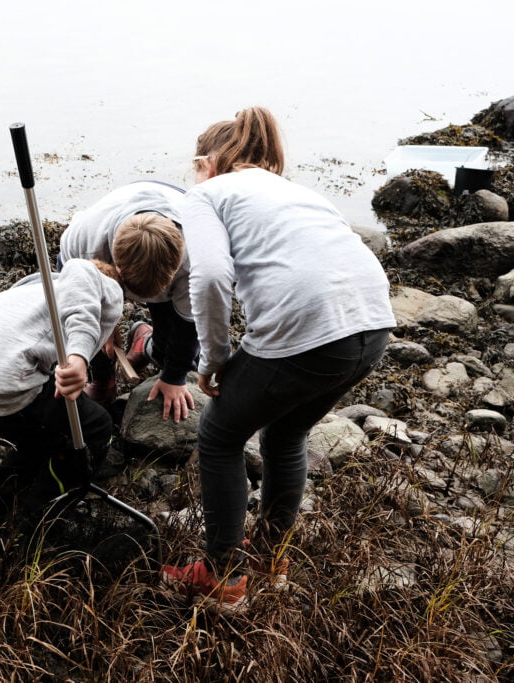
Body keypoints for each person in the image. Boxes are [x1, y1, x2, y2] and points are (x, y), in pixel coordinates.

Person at [160, 107, 396, 611]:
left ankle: (223, 578)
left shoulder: (206, 193)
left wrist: (214, 357)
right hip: (373, 323)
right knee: (287, 432)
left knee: (219, 435)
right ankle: (271, 560)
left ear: (209, 161)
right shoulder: (299, 191)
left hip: (311, 330)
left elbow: (208, 279)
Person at [0, 258, 124, 530]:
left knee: (40, 437)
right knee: (96, 425)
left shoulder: (23, 294)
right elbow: (82, 322)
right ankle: (39, 520)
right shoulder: (86, 288)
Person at [58, 182, 197, 422]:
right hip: (111, 234)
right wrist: (105, 322)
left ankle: (145, 344)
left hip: (174, 207)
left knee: (178, 355)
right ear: (117, 266)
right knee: (90, 331)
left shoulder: (198, 260)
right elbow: (73, 299)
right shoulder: (85, 242)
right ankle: (103, 378)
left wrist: (174, 377)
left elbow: (190, 326)